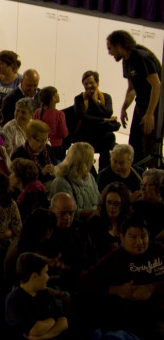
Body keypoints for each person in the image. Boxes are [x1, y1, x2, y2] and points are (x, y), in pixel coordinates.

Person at [80, 216, 164, 340]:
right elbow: (83, 282)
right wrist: (115, 290)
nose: (140, 242)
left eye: (143, 236)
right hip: (139, 318)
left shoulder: (158, 250)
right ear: (122, 237)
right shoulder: (114, 259)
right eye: (133, 237)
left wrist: (153, 287)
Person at [109, 30, 163, 166]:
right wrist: (124, 108)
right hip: (141, 105)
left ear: (119, 46)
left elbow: (157, 85)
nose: (109, 52)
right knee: (134, 145)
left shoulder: (142, 58)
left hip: (154, 107)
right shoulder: (126, 61)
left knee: (149, 148)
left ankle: (153, 175)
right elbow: (132, 88)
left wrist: (150, 113)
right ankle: (135, 173)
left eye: (110, 48)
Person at [73, 70, 120, 168]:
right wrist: (105, 120)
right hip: (86, 133)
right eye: (85, 84)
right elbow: (85, 118)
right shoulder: (79, 99)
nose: (88, 86)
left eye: (91, 83)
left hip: (101, 133)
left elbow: (108, 113)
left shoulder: (106, 97)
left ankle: (103, 171)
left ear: (97, 83)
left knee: (109, 138)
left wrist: (96, 101)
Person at [49, 142, 100, 215]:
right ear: (82, 162)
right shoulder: (62, 182)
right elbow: (70, 212)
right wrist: (93, 213)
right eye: (90, 161)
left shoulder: (89, 177)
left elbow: (98, 198)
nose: (92, 164)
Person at [86, 182, 132, 257]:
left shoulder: (129, 222)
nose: (112, 207)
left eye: (116, 203)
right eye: (109, 202)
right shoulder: (94, 223)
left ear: (124, 204)